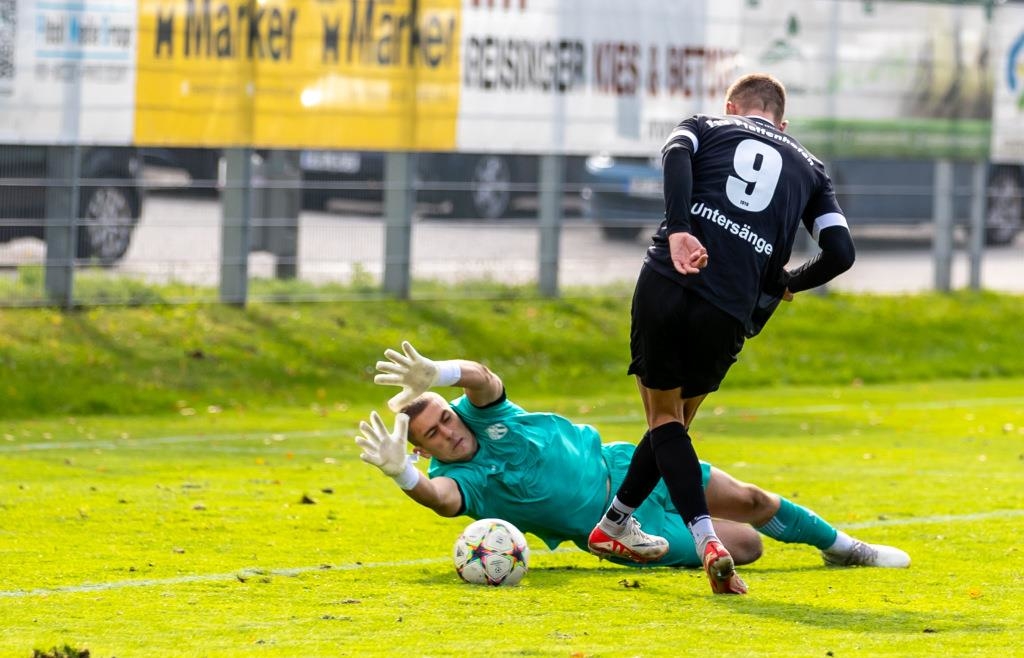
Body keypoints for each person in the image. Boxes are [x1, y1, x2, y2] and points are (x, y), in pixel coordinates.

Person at [589, 73, 859, 594]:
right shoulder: (810, 168)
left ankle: (705, 538)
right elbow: (842, 254)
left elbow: (674, 154)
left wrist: (682, 226)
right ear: (783, 122)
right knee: (674, 424)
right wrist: (788, 281)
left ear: (732, 106)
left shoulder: (705, 124)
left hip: (670, 278)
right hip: (730, 306)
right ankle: (616, 522)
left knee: (663, 420)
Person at [356, 342, 909, 572]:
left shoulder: (481, 412)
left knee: (750, 498)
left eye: (444, 417)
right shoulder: (457, 477)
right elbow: (441, 500)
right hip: (615, 530)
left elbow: (483, 378)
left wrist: (440, 373)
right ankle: (697, 540)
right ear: (421, 447)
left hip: (630, 468)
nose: (447, 432)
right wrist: (402, 474)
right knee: (748, 545)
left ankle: (845, 548)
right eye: (430, 435)